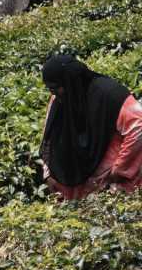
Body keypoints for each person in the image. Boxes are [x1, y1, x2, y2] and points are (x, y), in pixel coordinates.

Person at [39, 53, 142, 201]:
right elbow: (49, 134)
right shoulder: (59, 99)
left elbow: (138, 126)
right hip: (75, 186)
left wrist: (119, 170)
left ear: (70, 82)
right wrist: (48, 172)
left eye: (56, 87)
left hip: (109, 185)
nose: (52, 92)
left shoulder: (109, 94)